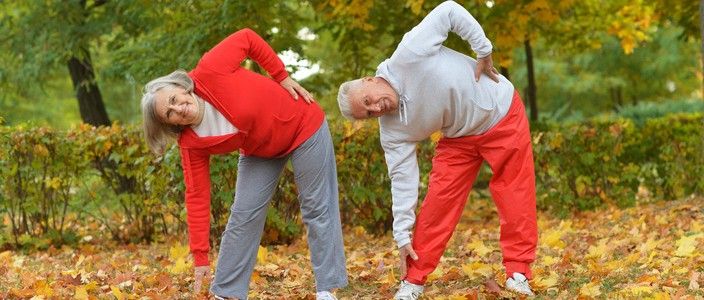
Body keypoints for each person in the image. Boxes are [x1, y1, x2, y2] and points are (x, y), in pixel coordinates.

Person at [336, 1, 537, 298]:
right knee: (437, 204)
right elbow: (402, 179)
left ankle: (518, 273)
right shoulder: (392, 131)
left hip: (502, 113)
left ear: (369, 81)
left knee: (515, 193)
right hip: (458, 138)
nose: (376, 108)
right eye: (369, 114)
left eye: (369, 101)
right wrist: (401, 233)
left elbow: (449, 10)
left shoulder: (409, 53)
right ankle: (414, 280)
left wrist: (483, 49)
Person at [141, 28, 347, 300]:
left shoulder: (210, 70)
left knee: (316, 206)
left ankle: (326, 288)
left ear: (179, 87)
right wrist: (200, 256)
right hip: (261, 150)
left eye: (173, 99)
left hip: (303, 124)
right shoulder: (191, 143)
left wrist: (281, 76)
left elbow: (248, 38)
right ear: (170, 125)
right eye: (170, 114)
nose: (178, 108)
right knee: (244, 214)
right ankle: (227, 292)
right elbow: (197, 196)